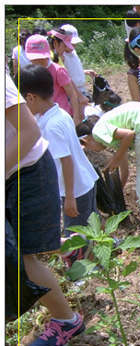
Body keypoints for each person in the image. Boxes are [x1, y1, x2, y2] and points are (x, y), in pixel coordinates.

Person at [5, 72, 85, 346]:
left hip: (25, 172)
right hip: (10, 173)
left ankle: (67, 321)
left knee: (20, 259)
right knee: (25, 247)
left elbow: (29, 132)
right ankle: (68, 247)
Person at [19, 64, 99, 252]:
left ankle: (84, 265)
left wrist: (69, 198)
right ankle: (98, 254)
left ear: (31, 97)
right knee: (90, 229)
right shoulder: (59, 112)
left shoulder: (51, 126)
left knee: (74, 238)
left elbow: (66, 161)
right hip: (84, 182)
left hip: (75, 190)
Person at [76, 101, 140, 226]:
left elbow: (129, 134)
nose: (94, 151)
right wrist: (115, 192)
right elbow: (125, 171)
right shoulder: (114, 134)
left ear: (86, 140)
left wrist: (116, 158)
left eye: (89, 148)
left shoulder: (97, 131)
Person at [24, 34, 83, 125]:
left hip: (61, 116)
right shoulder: (31, 73)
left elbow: (72, 94)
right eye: (34, 59)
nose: (38, 61)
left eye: (41, 58)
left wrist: (76, 117)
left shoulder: (58, 71)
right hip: (42, 117)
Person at [48, 27, 96, 118]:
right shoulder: (52, 59)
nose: (65, 49)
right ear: (56, 43)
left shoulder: (58, 57)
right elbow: (67, 81)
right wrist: (79, 96)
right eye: (64, 46)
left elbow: (67, 77)